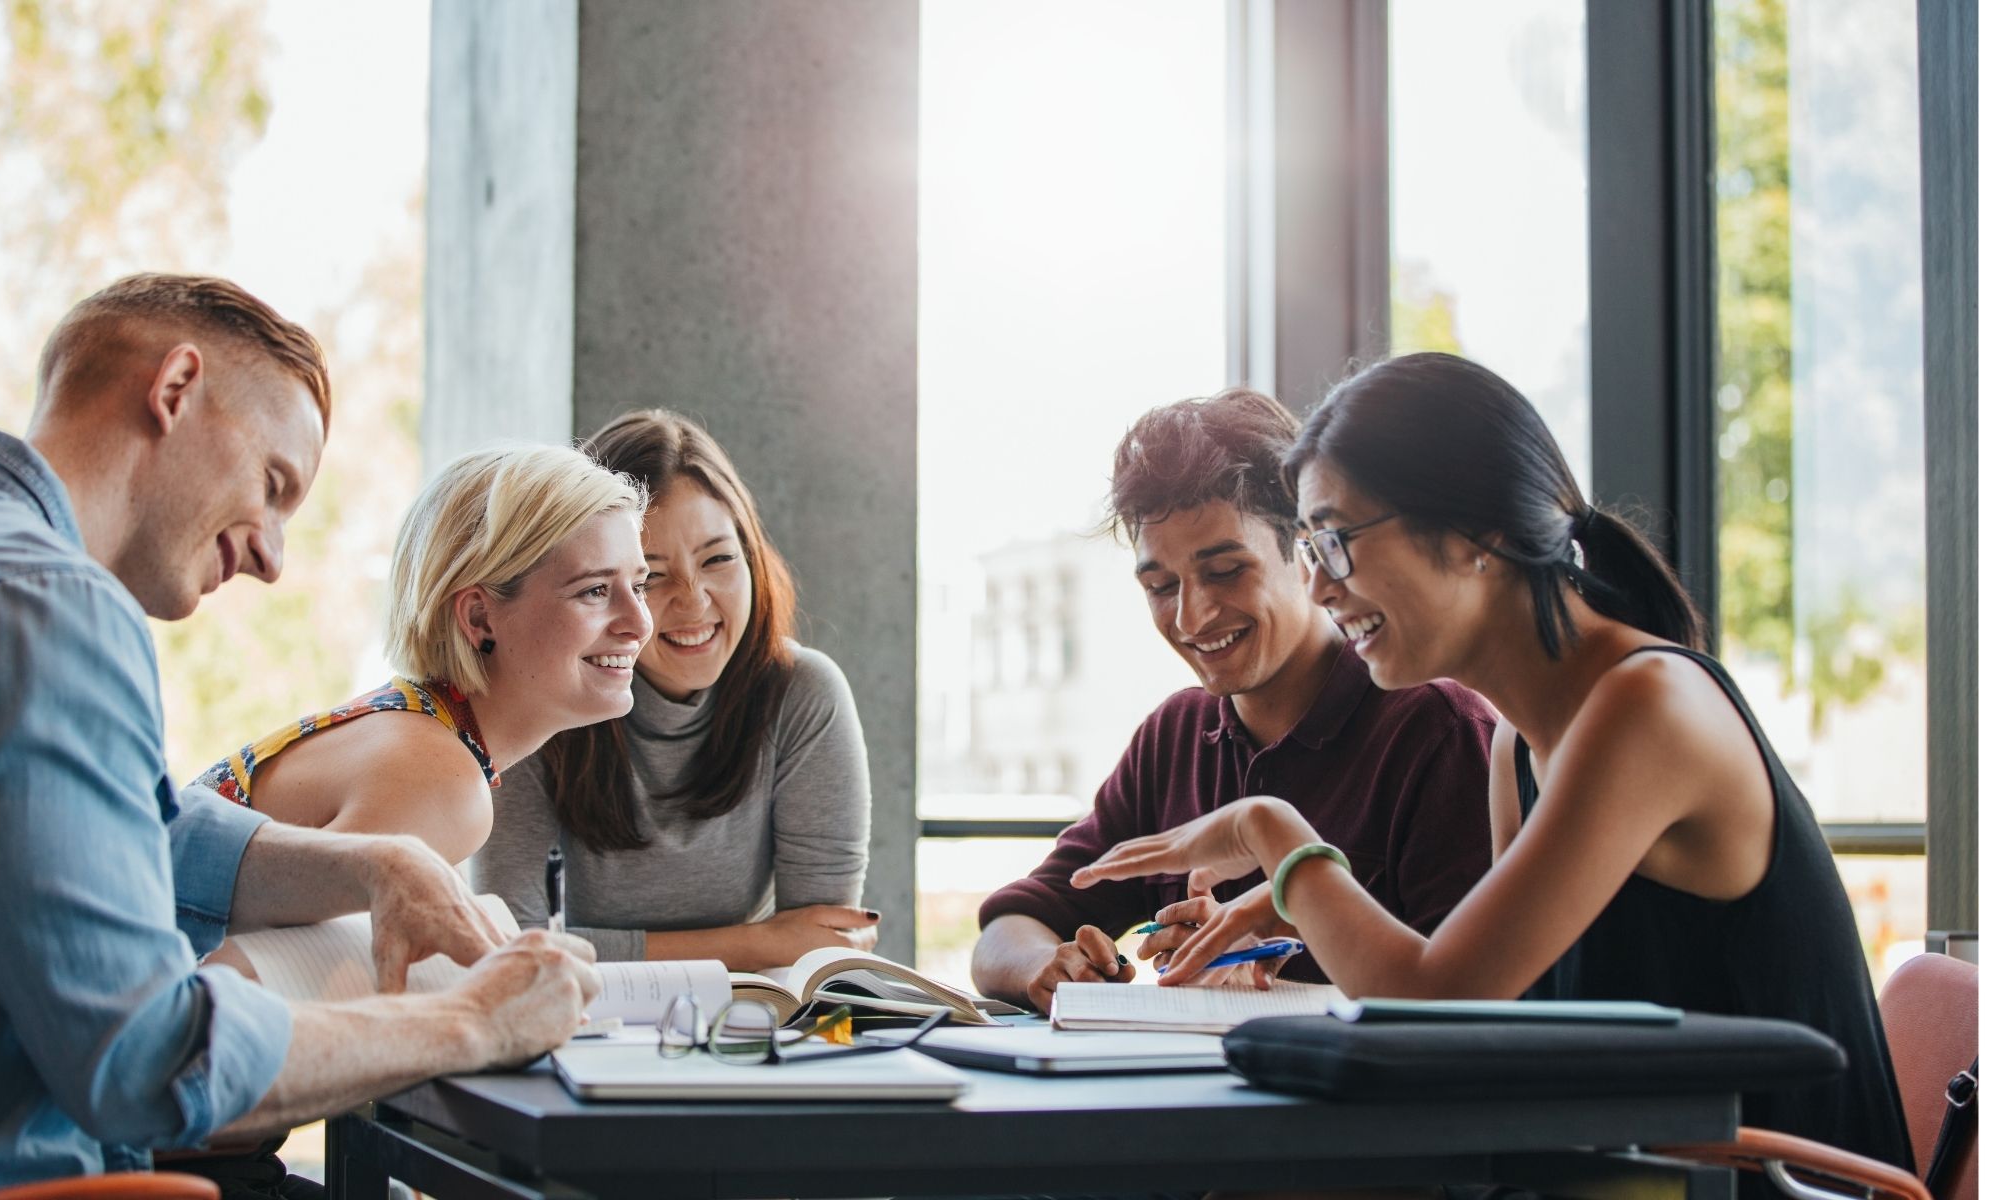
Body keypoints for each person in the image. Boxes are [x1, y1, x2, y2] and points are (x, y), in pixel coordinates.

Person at [1073, 353, 1913, 1170]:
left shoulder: (1646, 707)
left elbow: (1436, 1002)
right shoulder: (1521, 738)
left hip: (1759, 1181)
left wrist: (1273, 835)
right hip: (1636, 1169)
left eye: (1336, 542)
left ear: (1478, 533)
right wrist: (1292, 913)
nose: (1322, 588)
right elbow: (1492, 1017)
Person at [0, 274, 602, 1188]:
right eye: (273, 486)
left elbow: (133, 830)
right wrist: (474, 1020)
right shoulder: (58, 608)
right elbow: (144, 1061)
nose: (273, 559)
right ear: (175, 391)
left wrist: (376, 865)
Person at [972, 388, 1495, 1014]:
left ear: (1306, 552)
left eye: (1224, 572)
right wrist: (1047, 967)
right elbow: (1009, 927)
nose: (1191, 616)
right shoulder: (1175, 736)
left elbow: (1467, 999)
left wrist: (1278, 945)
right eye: (1161, 587)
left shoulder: (1436, 730)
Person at [472, 408, 875, 971]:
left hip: (747, 1027)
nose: (694, 602)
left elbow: (818, 947)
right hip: (575, 1025)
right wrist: (754, 943)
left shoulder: (803, 694)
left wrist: (777, 947)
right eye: (651, 576)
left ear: (753, 558)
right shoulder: (537, 696)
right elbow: (512, 947)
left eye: (718, 559)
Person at [191, 443, 655, 867]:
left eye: (639, 586)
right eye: (594, 590)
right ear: (479, 618)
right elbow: (254, 957)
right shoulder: (440, 783)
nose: (640, 624)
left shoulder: (420, 730)